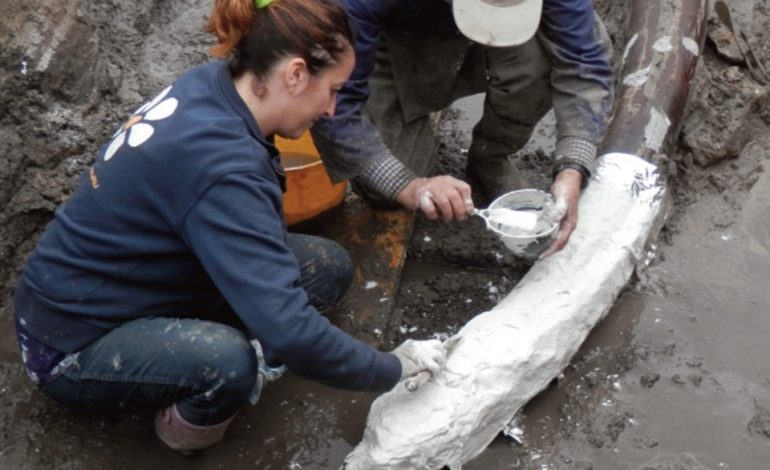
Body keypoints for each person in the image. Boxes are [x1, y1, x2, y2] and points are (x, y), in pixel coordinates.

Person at [12, 0, 446, 453]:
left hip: (130, 278)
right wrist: (392, 368)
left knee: (326, 266)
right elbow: (292, 332)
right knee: (229, 364)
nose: (334, 109)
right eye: (333, 89)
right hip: (69, 343)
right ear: (295, 75)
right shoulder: (224, 169)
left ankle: (197, 349)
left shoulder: (214, 85)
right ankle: (182, 435)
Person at [310, 0, 614, 257]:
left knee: (540, 59)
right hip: (389, 41)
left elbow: (584, 58)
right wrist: (408, 185)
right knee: (388, 190)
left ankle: (490, 156)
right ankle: (408, 121)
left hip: (494, 39)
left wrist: (573, 169)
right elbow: (335, 102)